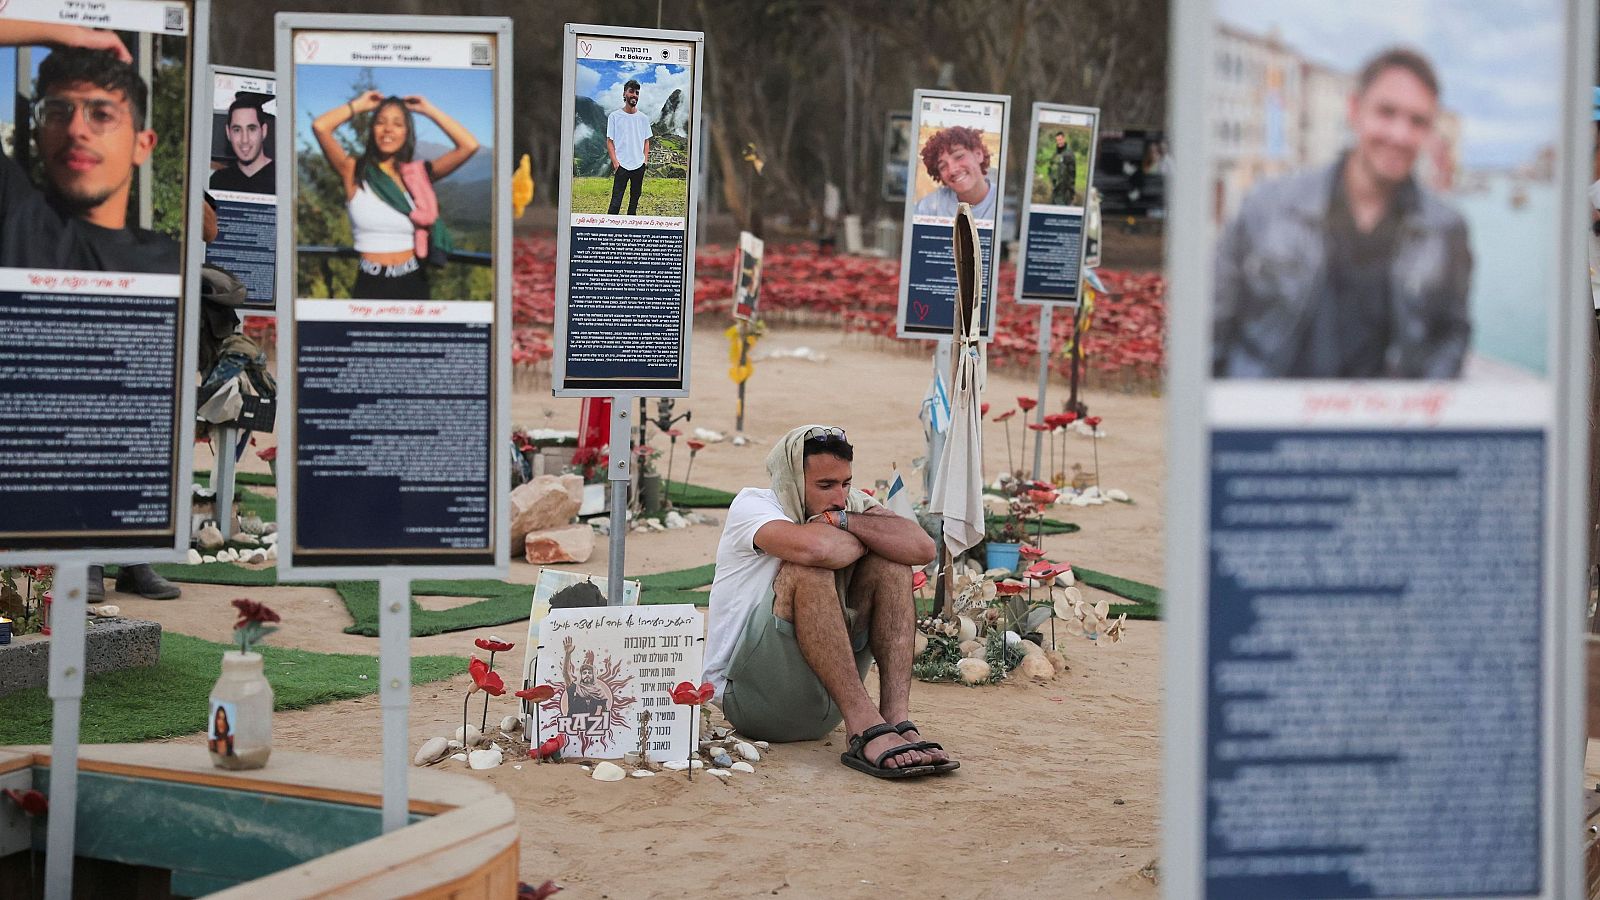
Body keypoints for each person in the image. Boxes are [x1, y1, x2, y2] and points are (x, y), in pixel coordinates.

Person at [0, 24, 182, 601]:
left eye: (102, 112)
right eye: (60, 110)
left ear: (142, 143)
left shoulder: (164, 259)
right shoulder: (22, 221)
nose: (77, 127)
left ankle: (131, 555)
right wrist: (64, 32)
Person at [704, 425, 957, 779]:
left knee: (893, 566)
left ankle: (894, 719)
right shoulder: (754, 505)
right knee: (809, 570)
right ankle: (862, 726)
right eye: (825, 486)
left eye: (846, 483)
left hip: (827, 705)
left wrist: (841, 520)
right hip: (752, 701)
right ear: (792, 479)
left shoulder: (847, 507)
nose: (839, 496)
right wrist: (867, 534)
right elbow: (818, 549)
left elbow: (922, 548)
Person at [1213, 47, 1472, 379]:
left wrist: (1424, 410)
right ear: (1354, 110)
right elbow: (1214, 325)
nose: (1400, 135)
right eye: (1386, 112)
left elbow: (1452, 334)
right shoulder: (1265, 206)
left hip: (1384, 425)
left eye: (1417, 121)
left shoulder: (1447, 228)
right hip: (1273, 423)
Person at [312, 90, 479, 300]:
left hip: (413, 280)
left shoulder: (417, 175)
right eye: (380, 122)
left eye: (398, 124)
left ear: (407, 133)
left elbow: (469, 145)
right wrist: (360, 105)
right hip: (369, 283)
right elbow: (321, 126)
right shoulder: (354, 171)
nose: (388, 129)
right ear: (372, 129)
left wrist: (428, 110)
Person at [913, 125, 997, 221]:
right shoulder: (929, 208)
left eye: (959, 156)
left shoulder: (1002, 201)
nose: (952, 170)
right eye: (943, 166)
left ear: (978, 154)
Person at [606, 78, 652, 216]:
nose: (634, 95)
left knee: (634, 202)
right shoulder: (614, 116)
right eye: (631, 91)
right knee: (615, 203)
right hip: (622, 166)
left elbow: (646, 141)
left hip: (639, 166)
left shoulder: (643, 118)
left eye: (637, 92)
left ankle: (630, 233)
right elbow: (609, 141)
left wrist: (645, 162)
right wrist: (615, 163)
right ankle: (609, 232)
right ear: (624, 94)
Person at [209, 97, 274, 193]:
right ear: (228, 133)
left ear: (263, 131)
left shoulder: (281, 178)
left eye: (252, 129)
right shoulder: (217, 182)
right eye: (237, 130)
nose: (244, 139)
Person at [561, 636, 612, 723]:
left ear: (593, 676)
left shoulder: (599, 692)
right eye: (584, 673)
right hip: (574, 728)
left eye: (589, 673)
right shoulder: (574, 688)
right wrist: (567, 654)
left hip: (595, 729)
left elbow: (605, 713)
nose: (587, 675)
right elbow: (566, 673)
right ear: (581, 676)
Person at [1049, 131, 1077, 206]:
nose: (1059, 142)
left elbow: (1072, 173)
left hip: (1064, 189)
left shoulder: (1069, 154)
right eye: (1057, 140)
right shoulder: (1055, 154)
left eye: (1060, 139)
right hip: (1055, 189)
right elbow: (1050, 168)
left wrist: (1071, 190)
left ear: (1064, 139)